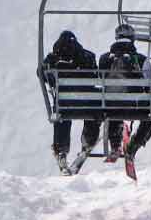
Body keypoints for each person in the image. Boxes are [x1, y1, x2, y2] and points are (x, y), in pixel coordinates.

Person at [38, 31, 103, 175]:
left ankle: (61, 151)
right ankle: (88, 141)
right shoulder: (88, 56)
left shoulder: (53, 58)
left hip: (65, 105)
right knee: (94, 109)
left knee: (62, 115)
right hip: (88, 105)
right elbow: (97, 76)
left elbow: (41, 74)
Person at [97, 24, 150, 161]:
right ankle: (134, 144)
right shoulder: (141, 59)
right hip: (135, 106)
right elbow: (149, 83)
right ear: (132, 39)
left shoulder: (104, 59)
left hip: (110, 106)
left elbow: (99, 82)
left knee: (113, 105)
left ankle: (115, 145)